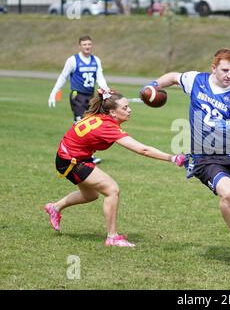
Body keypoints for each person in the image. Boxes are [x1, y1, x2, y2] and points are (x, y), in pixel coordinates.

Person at [144, 48, 230, 265]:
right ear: (213, 68)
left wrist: (221, 124)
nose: (229, 75)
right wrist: (153, 85)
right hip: (205, 157)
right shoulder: (196, 81)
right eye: (224, 70)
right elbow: (172, 77)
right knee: (227, 193)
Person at [44, 89, 185, 247]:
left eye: (128, 106)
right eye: (124, 108)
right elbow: (143, 150)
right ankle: (112, 237)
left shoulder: (103, 118)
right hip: (71, 160)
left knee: (90, 195)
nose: (129, 110)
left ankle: (54, 207)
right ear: (112, 112)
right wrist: (172, 157)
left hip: (71, 156)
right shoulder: (107, 127)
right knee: (112, 190)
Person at [48, 35, 109, 163]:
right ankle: (78, 154)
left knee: (93, 125)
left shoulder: (96, 60)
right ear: (80, 46)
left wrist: (106, 90)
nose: (87, 47)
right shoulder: (72, 60)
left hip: (91, 96)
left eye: (89, 44)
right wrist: (54, 91)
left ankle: (87, 155)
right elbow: (63, 76)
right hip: (78, 96)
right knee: (80, 124)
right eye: (85, 44)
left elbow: (100, 77)